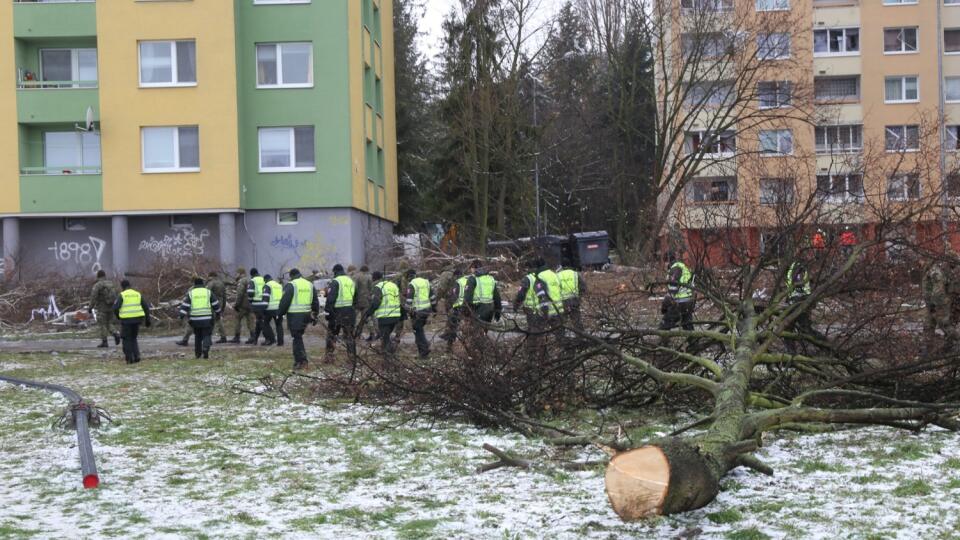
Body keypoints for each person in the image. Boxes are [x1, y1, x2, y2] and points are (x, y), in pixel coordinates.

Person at [278, 268, 320, 370]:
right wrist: (315, 314)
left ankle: (301, 361)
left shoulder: (292, 285)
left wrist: (279, 314)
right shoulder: (309, 284)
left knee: (296, 338)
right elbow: (315, 301)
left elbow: (285, 301)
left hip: (295, 315)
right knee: (298, 337)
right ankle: (301, 360)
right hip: (306, 315)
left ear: (291, 276)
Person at [784, 256, 824, 353]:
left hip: (798, 301)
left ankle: (791, 352)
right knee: (800, 328)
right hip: (799, 301)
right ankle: (823, 344)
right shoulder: (799, 267)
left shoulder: (797, 268)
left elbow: (799, 284)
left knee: (791, 328)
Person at [514, 258, 564, 333]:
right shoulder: (554, 274)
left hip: (537, 310)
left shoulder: (532, 278)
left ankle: (535, 344)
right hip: (558, 309)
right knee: (559, 334)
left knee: (536, 333)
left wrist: (516, 305)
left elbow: (521, 294)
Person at [178, 277, 220, 359]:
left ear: (194, 284)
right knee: (207, 334)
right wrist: (218, 312)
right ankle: (205, 348)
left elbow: (185, 306)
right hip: (207, 318)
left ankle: (198, 353)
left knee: (197, 336)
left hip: (195, 319)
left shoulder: (191, 293)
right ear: (203, 284)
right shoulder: (208, 292)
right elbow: (215, 304)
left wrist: (181, 316)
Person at [112, 279, 151, 364]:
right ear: (130, 285)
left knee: (126, 339)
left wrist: (118, 316)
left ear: (122, 287)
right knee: (133, 338)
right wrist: (147, 320)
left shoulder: (122, 295)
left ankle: (129, 358)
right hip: (137, 320)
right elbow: (146, 307)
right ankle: (137, 356)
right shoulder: (137, 294)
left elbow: (115, 308)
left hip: (126, 320)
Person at [923, 257, 955, 349]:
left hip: (938, 303)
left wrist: (936, 305)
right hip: (931, 304)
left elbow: (938, 291)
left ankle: (956, 341)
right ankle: (928, 347)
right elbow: (928, 289)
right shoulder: (928, 270)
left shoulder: (935, 271)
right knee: (928, 325)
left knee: (943, 324)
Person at [325, 264, 357, 355]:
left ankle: (329, 355)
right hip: (350, 311)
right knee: (349, 335)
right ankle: (352, 357)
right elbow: (356, 297)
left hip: (337, 312)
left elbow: (330, 299)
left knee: (332, 334)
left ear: (335, 271)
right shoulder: (351, 281)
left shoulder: (335, 281)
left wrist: (328, 312)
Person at [368, 271, 402, 357]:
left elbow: (376, 303)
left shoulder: (378, 287)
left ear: (374, 278)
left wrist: (369, 312)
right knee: (385, 336)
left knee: (385, 337)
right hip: (396, 315)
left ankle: (389, 356)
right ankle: (385, 353)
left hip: (385, 316)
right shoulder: (392, 285)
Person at [659, 252, 695, 331]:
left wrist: (665, 305)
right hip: (689, 301)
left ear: (667, 261)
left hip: (679, 303)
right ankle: (694, 343)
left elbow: (673, 289)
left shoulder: (675, 269)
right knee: (687, 326)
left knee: (664, 325)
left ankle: (663, 342)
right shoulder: (682, 266)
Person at [404, 268, 434, 358]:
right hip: (427, 310)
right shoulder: (425, 282)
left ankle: (425, 349)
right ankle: (422, 352)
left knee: (418, 330)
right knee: (419, 329)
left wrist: (406, 310)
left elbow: (409, 300)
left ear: (409, 277)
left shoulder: (412, 284)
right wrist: (434, 308)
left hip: (417, 312)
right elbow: (432, 296)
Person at [88, 270, 120, 348]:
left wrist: (90, 307)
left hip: (101, 308)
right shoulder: (111, 283)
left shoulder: (98, 285)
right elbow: (117, 294)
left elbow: (93, 297)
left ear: (98, 276)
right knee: (109, 323)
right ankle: (116, 333)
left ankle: (104, 342)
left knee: (102, 325)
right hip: (111, 307)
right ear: (104, 275)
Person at [441, 266, 470, 349]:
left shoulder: (457, 282)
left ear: (456, 275)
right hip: (468, 306)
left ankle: (449, 345)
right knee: (467, 325)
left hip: (458, 307)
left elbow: (454, 296)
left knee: (452, 325)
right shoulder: (468, 281)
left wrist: (450, 306)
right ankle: (467, 344)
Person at [246, 268, 274, 345]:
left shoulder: (253, 281)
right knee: (259, 321)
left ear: (251, 274)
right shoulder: (263, 279)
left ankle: (268, 338)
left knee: (261, 322)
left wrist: (250, 300)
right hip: (264, 302)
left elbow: (250, 292)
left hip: (256, 304)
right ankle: (255, 339)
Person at [231, 268, 254, 344]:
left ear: (240, 273)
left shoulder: (241, 281)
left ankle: (237, 337)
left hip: (243, 304)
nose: (236, 275)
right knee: (250, 320)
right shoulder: (249, 280)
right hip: (249, 304)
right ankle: (253, 336)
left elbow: (240, 294)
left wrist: (236, 305)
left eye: (237, 273)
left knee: (237, 318)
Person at [353, 265, 375, 341]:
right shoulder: (370, 277)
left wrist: (353, 300)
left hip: (358, 301)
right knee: (368, 318)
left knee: (356, 318)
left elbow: (354, 289)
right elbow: (372, 289)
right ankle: (372, 334)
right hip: (367, 301)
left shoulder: (356, 276)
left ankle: (356, 334)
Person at [207, 271, 229, 343]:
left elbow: (207, 293)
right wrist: (223, 306)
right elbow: (224, 296)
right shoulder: (221, 283)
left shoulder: (211, 283)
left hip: (213, 303)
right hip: (220, 302)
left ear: (211, 276)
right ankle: (223, 336)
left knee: (211, 320)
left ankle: (208, 337)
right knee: (218, 319)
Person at [264, 274, 285, 346]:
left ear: (266, 279)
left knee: (265, 323)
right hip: (279, 308)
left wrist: (263, 307)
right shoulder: (279, 285)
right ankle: (280, 342)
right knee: (279, 324)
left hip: (270, 308)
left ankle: (272, 339)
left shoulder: (267, 285)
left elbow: (265, 297)